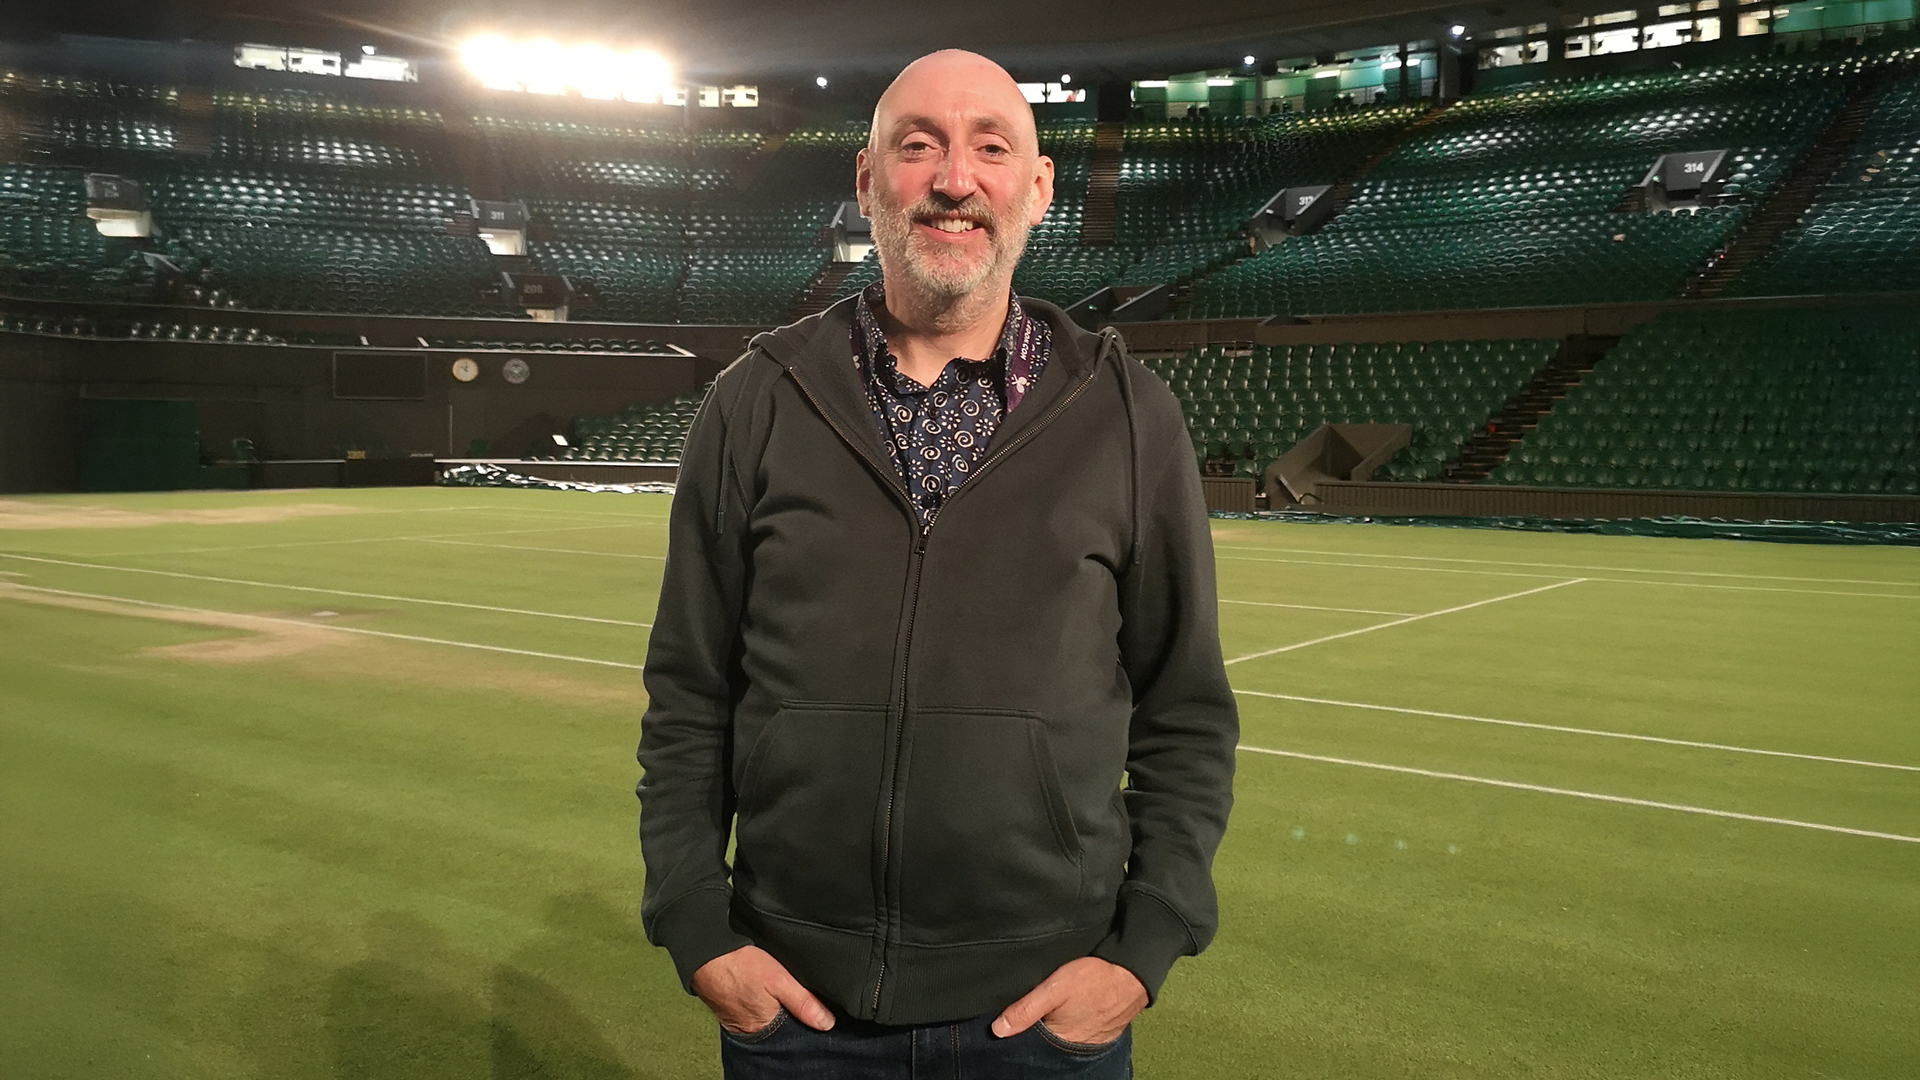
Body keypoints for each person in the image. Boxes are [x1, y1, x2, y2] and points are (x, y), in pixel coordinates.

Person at [638, 49, 1237, 1078]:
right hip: (795, 1015)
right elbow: (691, 693)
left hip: (1047, 1016)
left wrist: (1141, 954)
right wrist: (700, 930)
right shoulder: (756, 400)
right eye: (917, 147)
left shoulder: (1130, 416)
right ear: (868, 183)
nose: (955, 179)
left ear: (1037, 189)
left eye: (991, 148)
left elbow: (1184, 711)